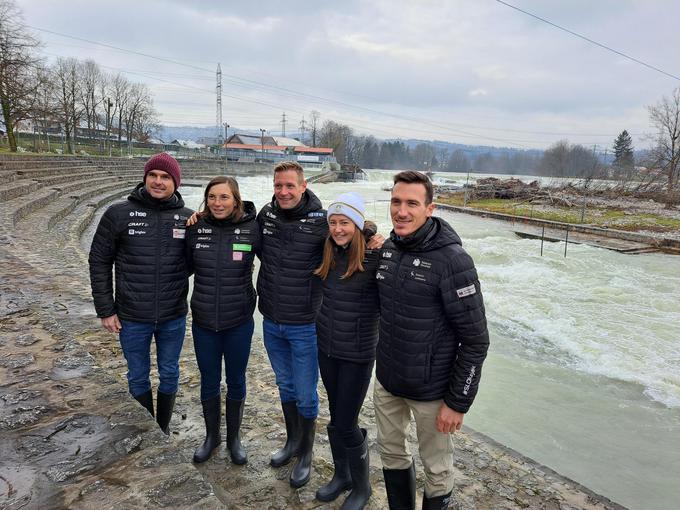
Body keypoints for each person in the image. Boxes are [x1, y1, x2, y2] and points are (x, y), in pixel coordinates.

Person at [374, 171, 489, 510]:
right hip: (388, 382)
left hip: (432, 393)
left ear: (430, 208)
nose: (402, 211)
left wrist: (458, 402)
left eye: (412, 203)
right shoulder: (390, 249)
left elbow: (476, 340)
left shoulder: (453, 261)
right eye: (396, 202)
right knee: (391, 454)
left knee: (437, 469)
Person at [88, 152, 192, 435]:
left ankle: (164, 427)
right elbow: (99, 261)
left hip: (173, 316)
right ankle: (149, 431)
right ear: (145, 178)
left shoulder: (187, 218)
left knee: (170, 372)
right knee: (137, 375)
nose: (158, 182)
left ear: (175, 182)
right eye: (153, 176)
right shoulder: (118, 213)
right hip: (132, 317)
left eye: (165, 177)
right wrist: (105, 309)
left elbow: (196, 261)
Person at [256, 161, 328, 488]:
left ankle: (307, 454)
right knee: (285, 387)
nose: (283, 192)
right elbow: (236, 229)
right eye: (278, 186)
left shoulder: (322, 222)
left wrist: (368, 230)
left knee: (306, 395)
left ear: (303, 186)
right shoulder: (265, 217)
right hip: (271, 320)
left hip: (305, 324)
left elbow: (349, 235)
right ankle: (292, 442)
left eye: (289, 186)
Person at [185, 176, 260, 465]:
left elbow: (282, 255)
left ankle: (234, 439)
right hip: (204, 321)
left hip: (239, 320)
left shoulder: (252, 228)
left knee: (236, 379)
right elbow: (182, 267)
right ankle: (211, 436)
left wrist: (367, 232)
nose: (218, 203)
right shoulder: (195, 227)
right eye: (212, 197)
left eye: (224, 197)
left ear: (236, 199)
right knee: (209, 380)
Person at [313, 192, 380, 510]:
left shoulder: (376, 255)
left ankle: (362, 487)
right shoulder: (327, 251)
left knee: (347, 422)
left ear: (357, 224)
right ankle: (343, 475)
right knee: (336, 416)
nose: (338, 229)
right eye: (333, 222)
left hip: (357, 352)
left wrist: (374, 234)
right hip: (327, 347)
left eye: (345, 223)